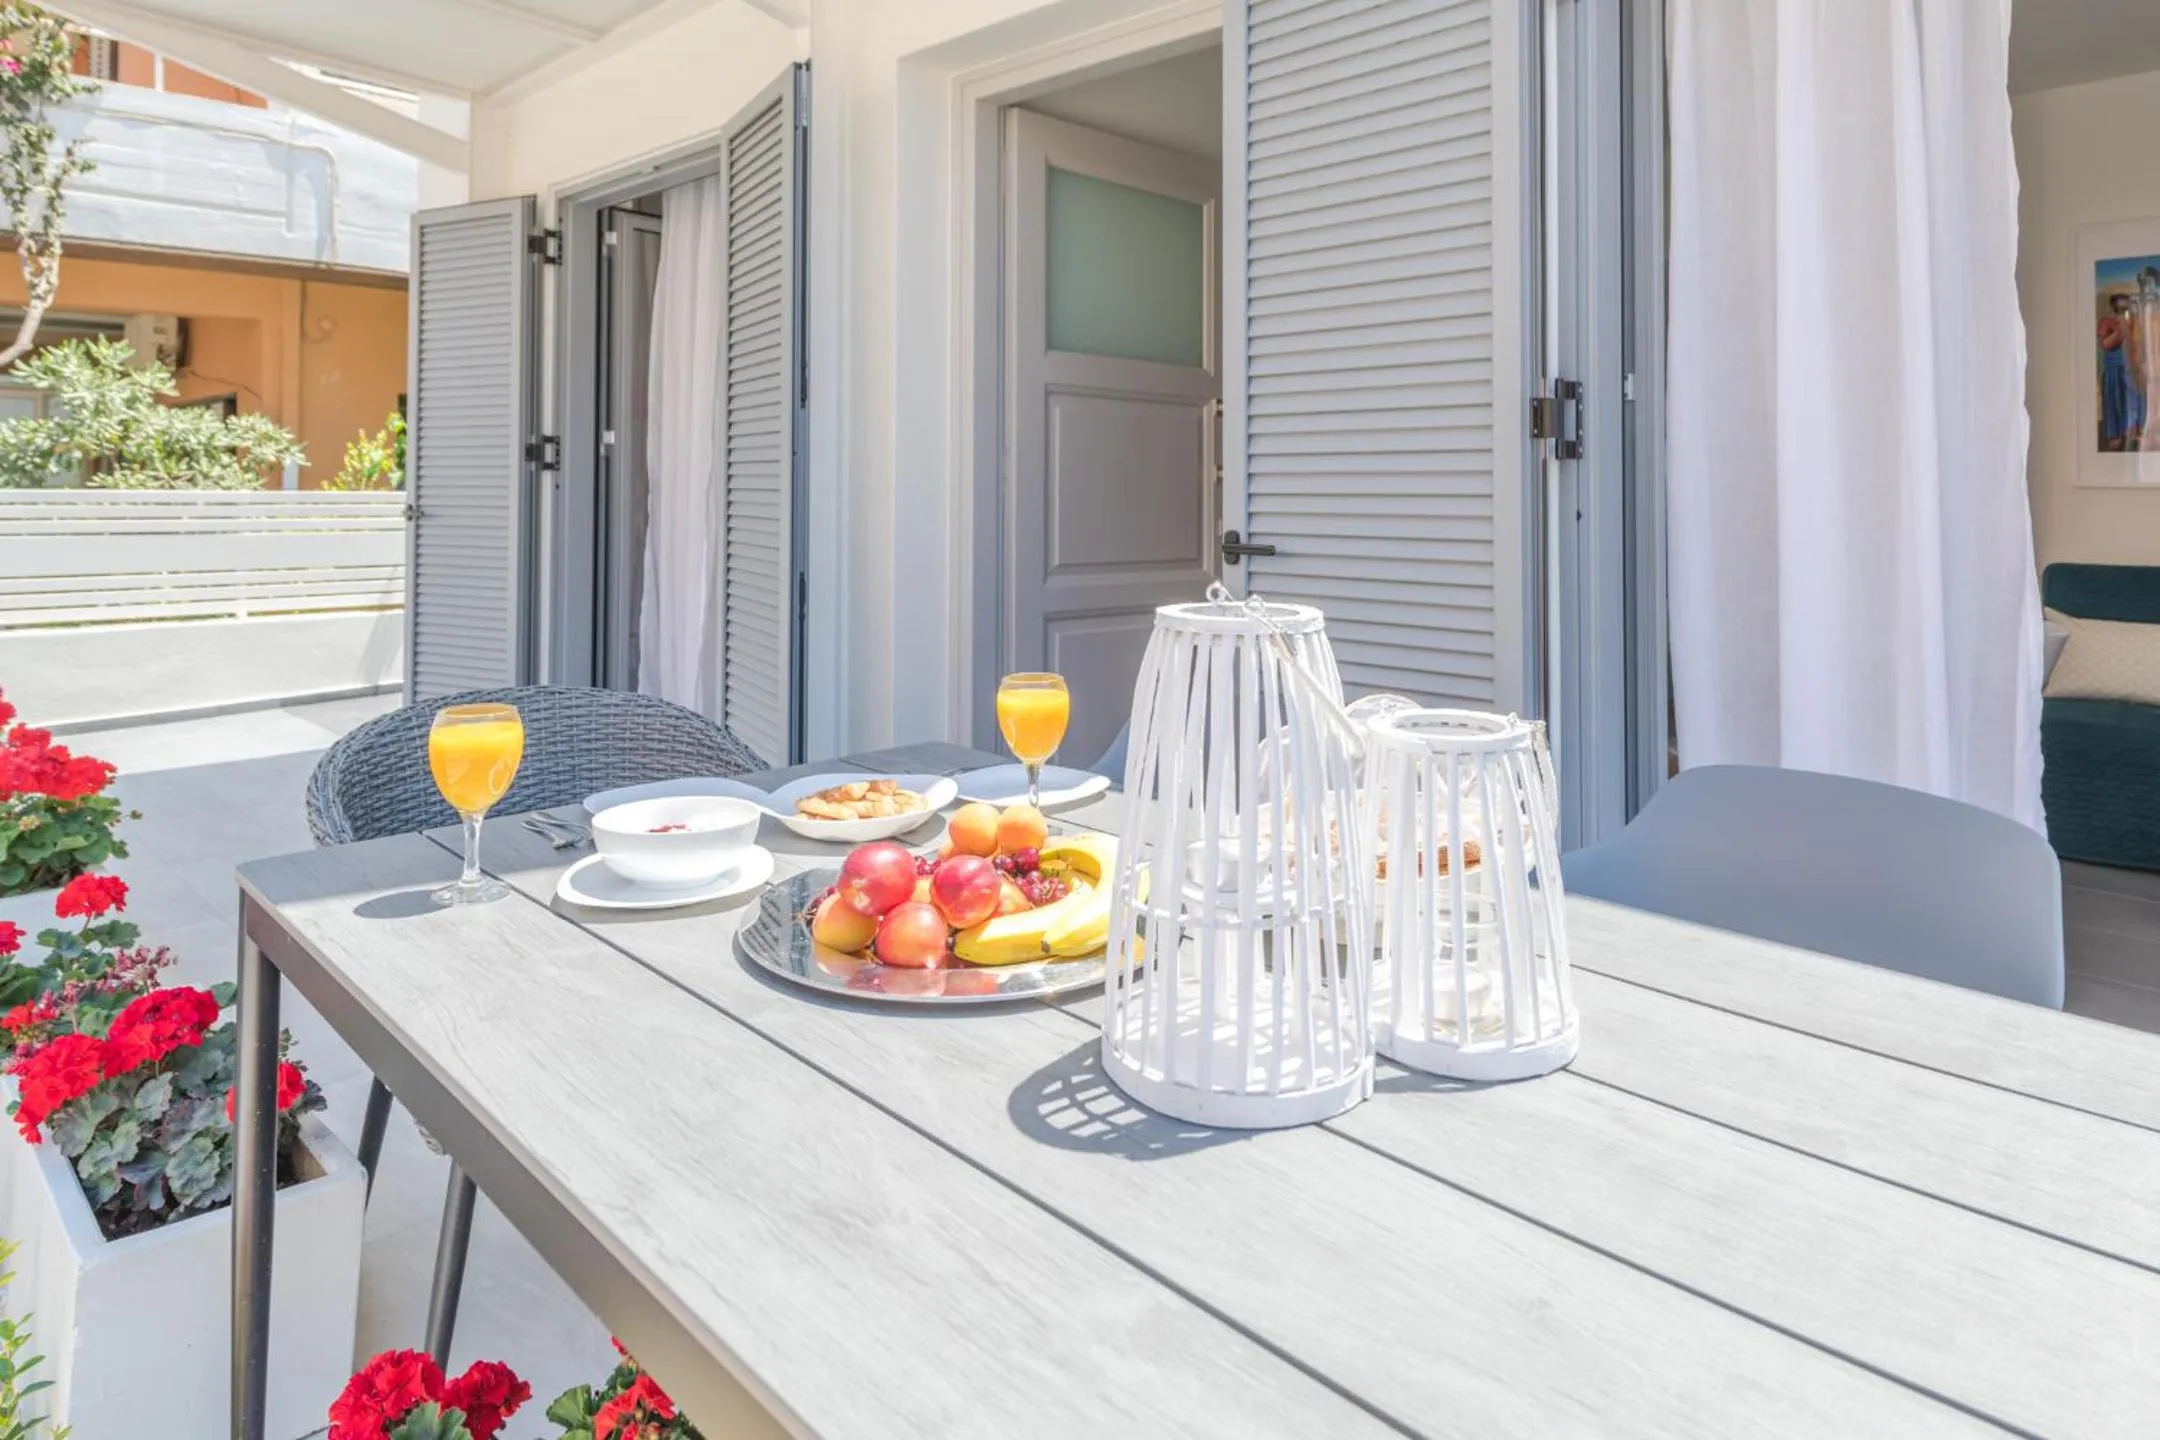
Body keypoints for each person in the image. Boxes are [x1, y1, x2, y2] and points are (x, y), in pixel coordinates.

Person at [2101, 293, 2141, 451]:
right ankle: (2116, 436)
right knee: (2114, 402)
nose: (2124, 311)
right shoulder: (2107, 323)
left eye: (2126, 307)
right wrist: (2121, 330)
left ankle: (2132, 430)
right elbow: (2105, 344)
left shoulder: (2134, 323)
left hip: (2130, 369)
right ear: (2114, 307)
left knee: (2133, 400)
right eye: (2120, 308)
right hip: (2114, 370)